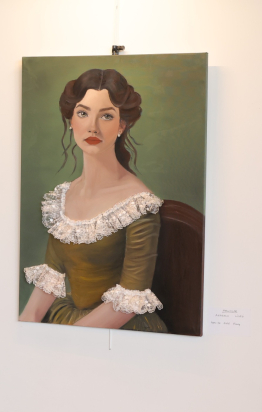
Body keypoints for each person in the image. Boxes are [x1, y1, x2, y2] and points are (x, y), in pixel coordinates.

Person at [19, 69, 167, 332]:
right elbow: (51, 277)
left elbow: (130, 300)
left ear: (122, 125)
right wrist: (23, 327)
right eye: (83, 113)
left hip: (122, 329)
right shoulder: (63, 196)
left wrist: (68, 339)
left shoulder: (139, 204)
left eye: (106, 116)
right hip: (70, 320)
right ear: (71, 121)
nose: (92, 127)